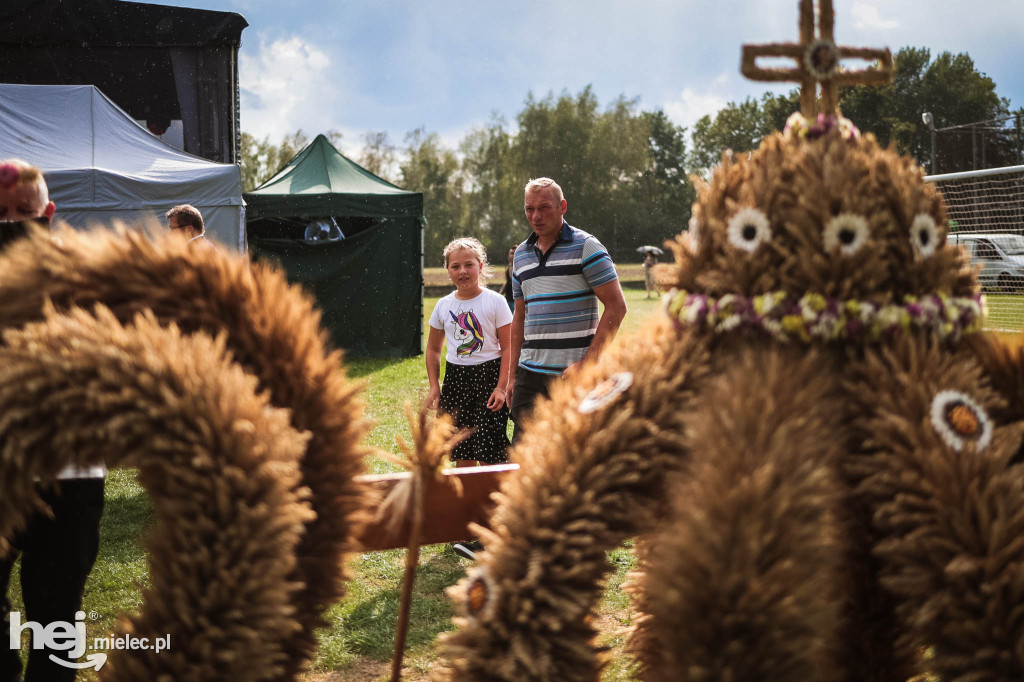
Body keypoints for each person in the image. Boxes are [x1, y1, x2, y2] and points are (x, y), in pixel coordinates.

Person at [0, 159, 107, 682]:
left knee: (57, 616)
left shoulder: (84, 277)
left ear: (49, 211)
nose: (10, 224)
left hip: (70, 474)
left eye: (23, 211)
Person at [508, 177, 626, 444]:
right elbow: (519, 317)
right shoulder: (521, 255)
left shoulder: (587, 247)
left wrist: (588, 364)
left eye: (544, 207)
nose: (536, 216)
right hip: (529, 378)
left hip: (573, 377)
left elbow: (617, 307)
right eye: (529, 209)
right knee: (524, 462)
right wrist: (511, 375)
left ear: (562, 206)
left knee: (573, 460)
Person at [425, 237, 513, 560]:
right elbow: (434, 350)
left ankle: (493, 523)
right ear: (448, 270)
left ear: (481, 266)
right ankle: (466, 523)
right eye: (455, 266)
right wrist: (436, 386)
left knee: (490, 451)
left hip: (488, 379)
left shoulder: (495, 302)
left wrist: (502, 387)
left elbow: (508, 349)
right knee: (461, 449)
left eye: (469, 265)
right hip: (457, 381)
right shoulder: (443, 306)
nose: (463, 271)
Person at [497, 246, 516, 312]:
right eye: (511, 253)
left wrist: (511, 264)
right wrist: (499, 295)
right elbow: (507, 282)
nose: (512, 255)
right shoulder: (510, 266)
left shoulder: (517, 266)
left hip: (515, 300)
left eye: (514, 253)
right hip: (508, 299)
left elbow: (513, 279)